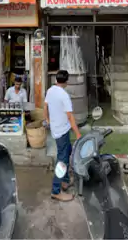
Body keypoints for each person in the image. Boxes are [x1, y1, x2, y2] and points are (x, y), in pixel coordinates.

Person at [44, 70, 81, 201]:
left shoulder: (50, 91)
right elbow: (70, 116)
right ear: (66, 81)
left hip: (56, 129)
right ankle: (56, 191)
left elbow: (45, 106)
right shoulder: (64, 95)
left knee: (67, 151)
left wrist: (47, 119)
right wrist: (78, 134)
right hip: (62, 131)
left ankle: (65, 181)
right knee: (62, 161)